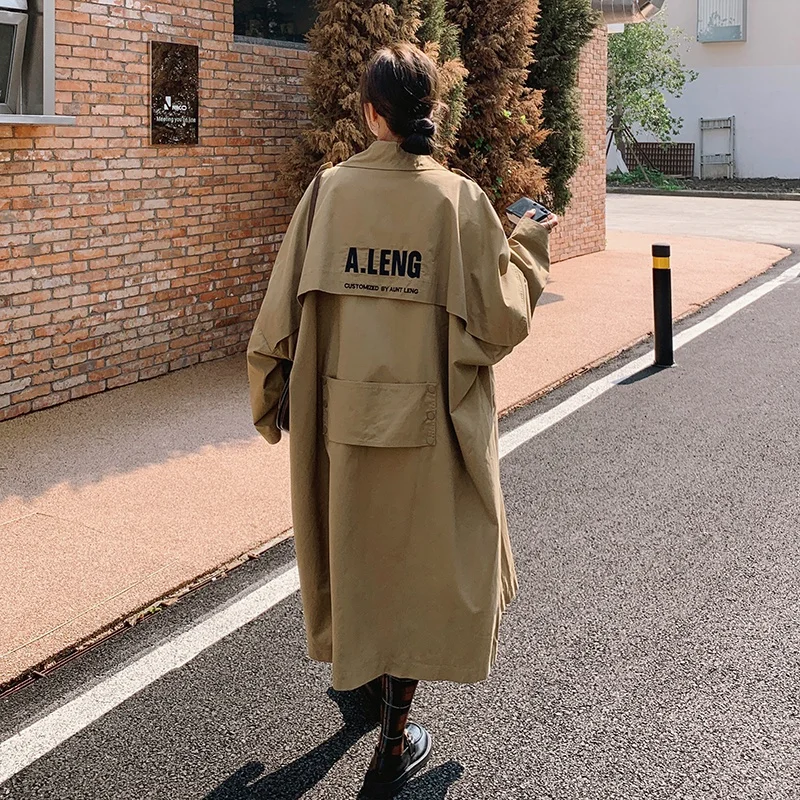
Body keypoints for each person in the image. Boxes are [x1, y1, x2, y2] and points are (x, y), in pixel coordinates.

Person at [247, 42, 557, 799]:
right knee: (418, 568)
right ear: (430, 112)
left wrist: (269, 400)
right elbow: (498, 321)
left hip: (339, 417)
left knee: (356, 550)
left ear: (370, 111)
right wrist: (531, 240)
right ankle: (393, 741)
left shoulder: (328, 193)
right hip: (432, 424)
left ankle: (362, 683)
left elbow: (276, 320)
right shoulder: (456, 200)